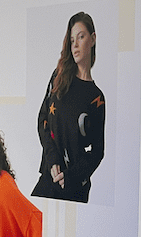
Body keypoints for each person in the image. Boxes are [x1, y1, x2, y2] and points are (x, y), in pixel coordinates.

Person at [32, 11, 106, 203]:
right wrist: (53, 160)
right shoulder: (59, 77)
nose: (75, 44)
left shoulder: (96, 98)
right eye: (72, 39)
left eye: (81, 37)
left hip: (75, 189)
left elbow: (97, 151)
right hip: (49, 176)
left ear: (93, 39)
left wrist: (71, 176)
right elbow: (43, 121)